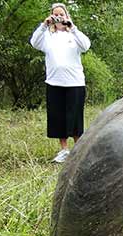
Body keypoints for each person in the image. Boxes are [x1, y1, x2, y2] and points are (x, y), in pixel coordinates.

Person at [30, 3, 91, 163]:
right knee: (58, 117)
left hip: (75, 83)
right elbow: (34, 42)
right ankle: (64, 150)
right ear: (51, 17)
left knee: (75, 117)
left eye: (61, 14)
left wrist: (72, 27)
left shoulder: (73, 35)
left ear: (66, 16)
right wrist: (44, 25)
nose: (58, 17)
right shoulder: (48, 37)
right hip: (54, 82)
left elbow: (86, 46)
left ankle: (79, 151)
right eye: (55, 15)